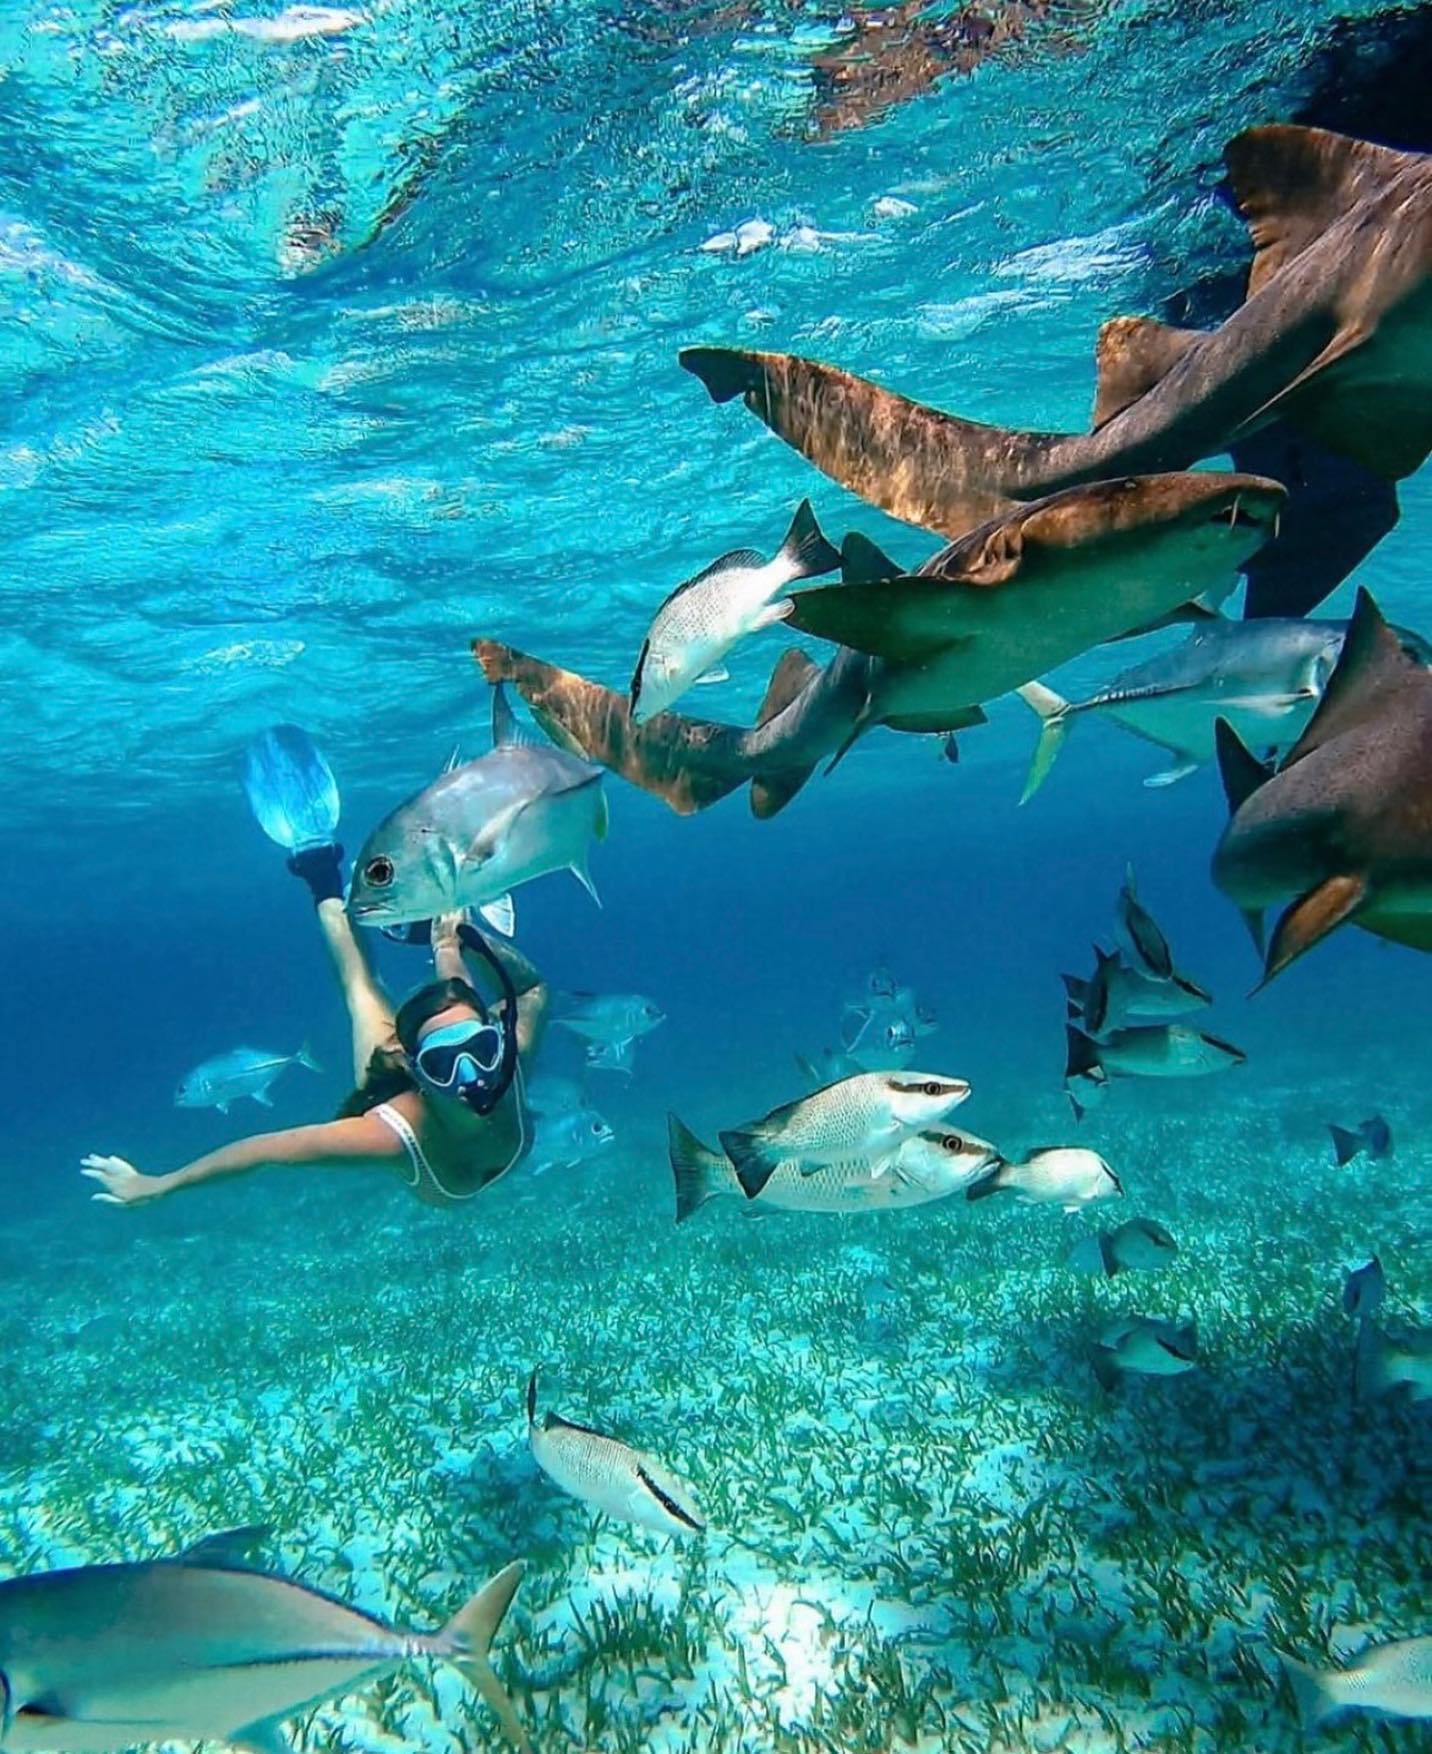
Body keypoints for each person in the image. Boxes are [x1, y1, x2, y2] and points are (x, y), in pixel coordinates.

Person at [81, 844, 547, 1211]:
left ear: (498, 1044)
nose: (471, 1074)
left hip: (452, 1021)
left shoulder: (510, 1058)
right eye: (442, 1064)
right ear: (417, 1069)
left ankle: (445, 937)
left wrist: (469, 940)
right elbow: (264, 1150)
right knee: (361, 985)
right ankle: (322, 875)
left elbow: (529, 993)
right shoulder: (390, 1133)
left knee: (455, 999)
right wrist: (160, 1185)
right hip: (388, 1072)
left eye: (484, 1050)